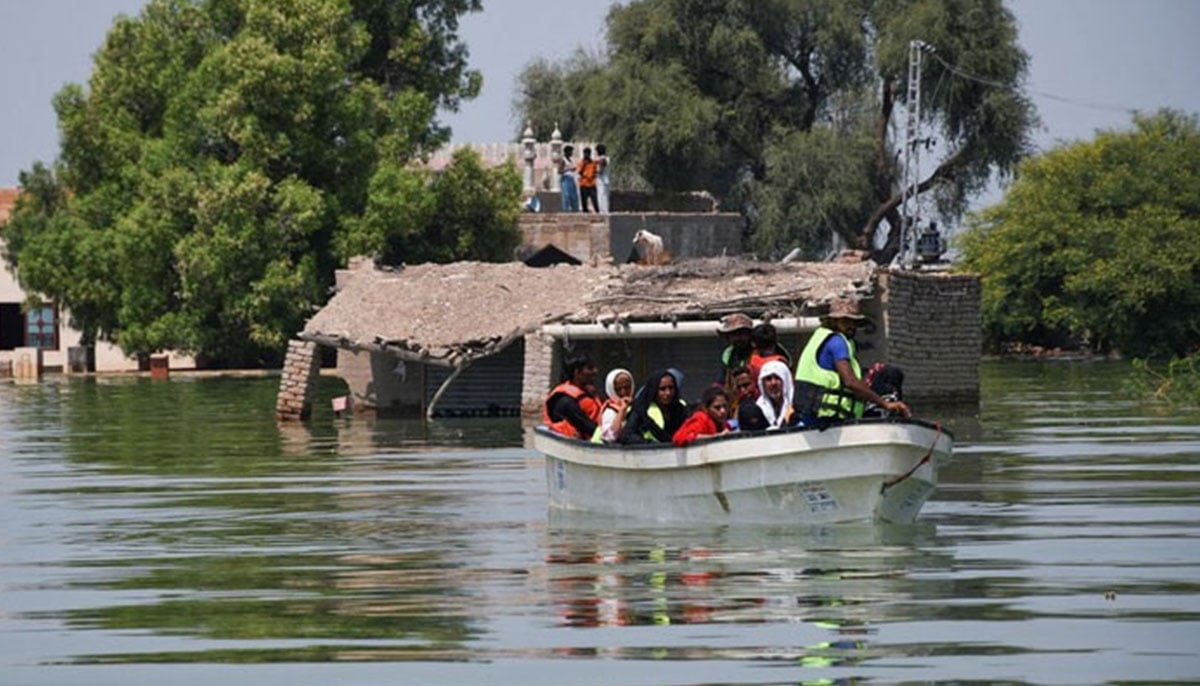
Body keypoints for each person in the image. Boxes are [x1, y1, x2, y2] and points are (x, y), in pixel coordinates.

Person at [794, 298, 911, 423]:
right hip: (825, 419)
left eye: (854, 322)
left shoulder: (820, 337)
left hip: (811, 414)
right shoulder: (837, 342)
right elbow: (850, 382)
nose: (851, 326)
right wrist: (884, 404)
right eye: (845, 321)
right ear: (834, 321)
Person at [619, 368, 688, 444]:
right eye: (662, 389)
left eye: (671, 388)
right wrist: (650, 443)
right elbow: (627, 436)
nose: (668, 393)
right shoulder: (640, 410)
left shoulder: (680, 409)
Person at [543, 353, 601, 439]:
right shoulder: (565, 401)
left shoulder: (588, 393)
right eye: (590, 368)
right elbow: (588, 427)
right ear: (576, 372)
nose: (595, 371)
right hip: (576, 440)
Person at [737, 359, 800, 432]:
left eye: (777, 378)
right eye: (768, 379)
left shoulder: (797, 405)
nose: (773, 383)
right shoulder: (759, 407)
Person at [592, 368, 635, 443]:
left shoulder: (636, 405)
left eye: (627, 387)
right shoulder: (609, 411)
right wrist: (622, 410)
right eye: (618, 389)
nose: (623, 392)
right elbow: (610, 437)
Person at [716, 312, 754, 390]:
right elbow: (721, 381)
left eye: (742, 334)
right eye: (734, 335)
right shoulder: (729, 354)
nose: (738, 338)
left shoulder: (758, 352)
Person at [557, 145, 579, 211]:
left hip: (571, 179)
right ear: (567, 152)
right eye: (570, 152)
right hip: (565, 179)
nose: (571, 153)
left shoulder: (570, 160)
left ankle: (574, 210)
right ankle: (566, 210)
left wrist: (572, 169)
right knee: (566, 196)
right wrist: (568, 169)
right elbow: (559, 171)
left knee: (573, 196)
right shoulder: (563, 160)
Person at [577, 147, 600, 213]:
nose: (586, 155)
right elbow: (579, 172)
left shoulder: (593, 163)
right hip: (584, 184)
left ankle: (597, 212)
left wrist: (593, 175)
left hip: (592, 184)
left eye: (587, 153)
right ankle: (585, 213)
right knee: (584, 201)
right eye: (585, 153)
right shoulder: (581, 162)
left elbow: (595, 171)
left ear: (590, 154)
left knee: (594, 200)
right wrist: (584, 164)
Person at [595, 143, 611, 213]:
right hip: (606, 180)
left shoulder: (602, 159)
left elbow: (600, 171)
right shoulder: (607, 158)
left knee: (601, 197)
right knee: (605, 196)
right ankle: (604, 211)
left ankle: (603, 212)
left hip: (602, 181)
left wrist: (593, 172)